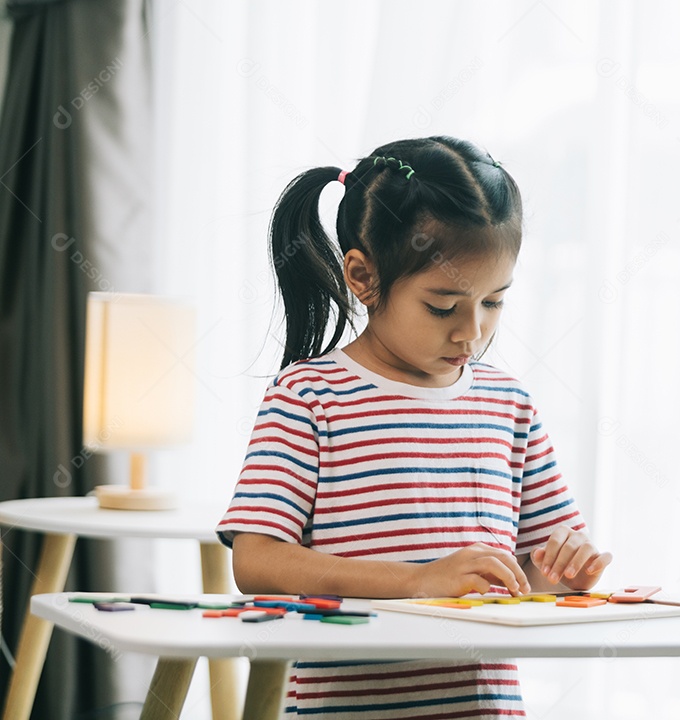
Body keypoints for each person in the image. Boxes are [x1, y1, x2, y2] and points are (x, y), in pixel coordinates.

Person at [216, 136, 612, 718]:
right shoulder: (310, 397)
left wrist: (567, 569)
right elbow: (256, 560)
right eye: (442, 306)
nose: (471, 333)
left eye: (494, 302)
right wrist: (416, 581)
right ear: (363, 276)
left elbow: (533, 571)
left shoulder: (509, 403)